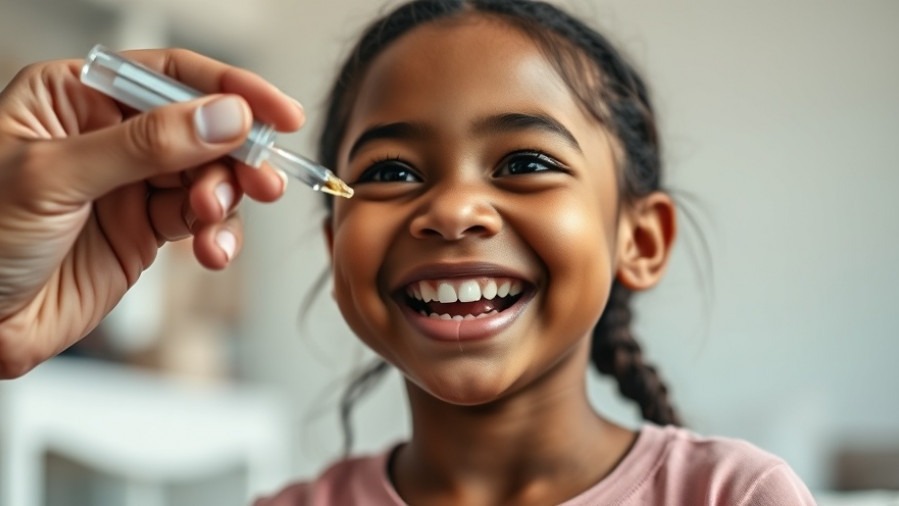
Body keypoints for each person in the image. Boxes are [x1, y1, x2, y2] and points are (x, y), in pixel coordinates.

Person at [0, 2, 815, 506]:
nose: (452, 209)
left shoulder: (735, 497)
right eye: (390, 172)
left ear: (638, 239)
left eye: (524, 163)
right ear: (333, 241)